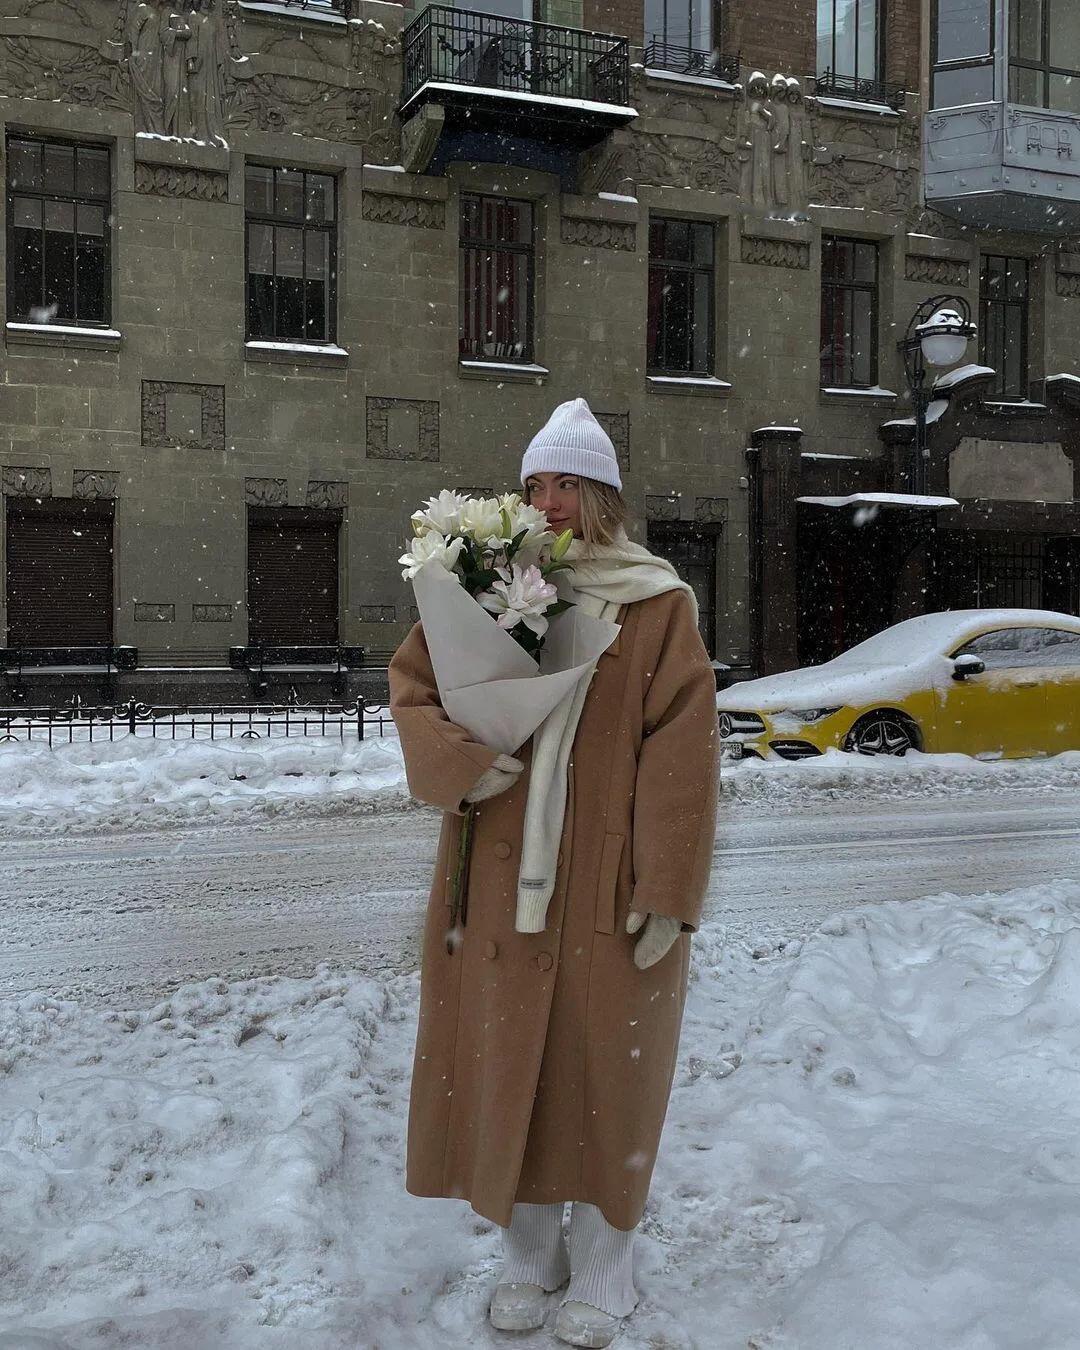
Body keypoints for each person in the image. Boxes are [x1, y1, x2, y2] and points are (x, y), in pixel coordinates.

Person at [389, 398, 719, 1347]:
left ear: (603, 495)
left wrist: (667, 891)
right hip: (494, 874)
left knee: (604, 1072)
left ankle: (608, 1265)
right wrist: (459, 760)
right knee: (510, 1067)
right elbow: (415, 689)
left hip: (606, 883)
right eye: (537, 484)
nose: (549, 499)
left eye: (567, 482)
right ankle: (530, 1255)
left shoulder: (657, 604)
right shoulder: (490, 581)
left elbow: (681, 754)